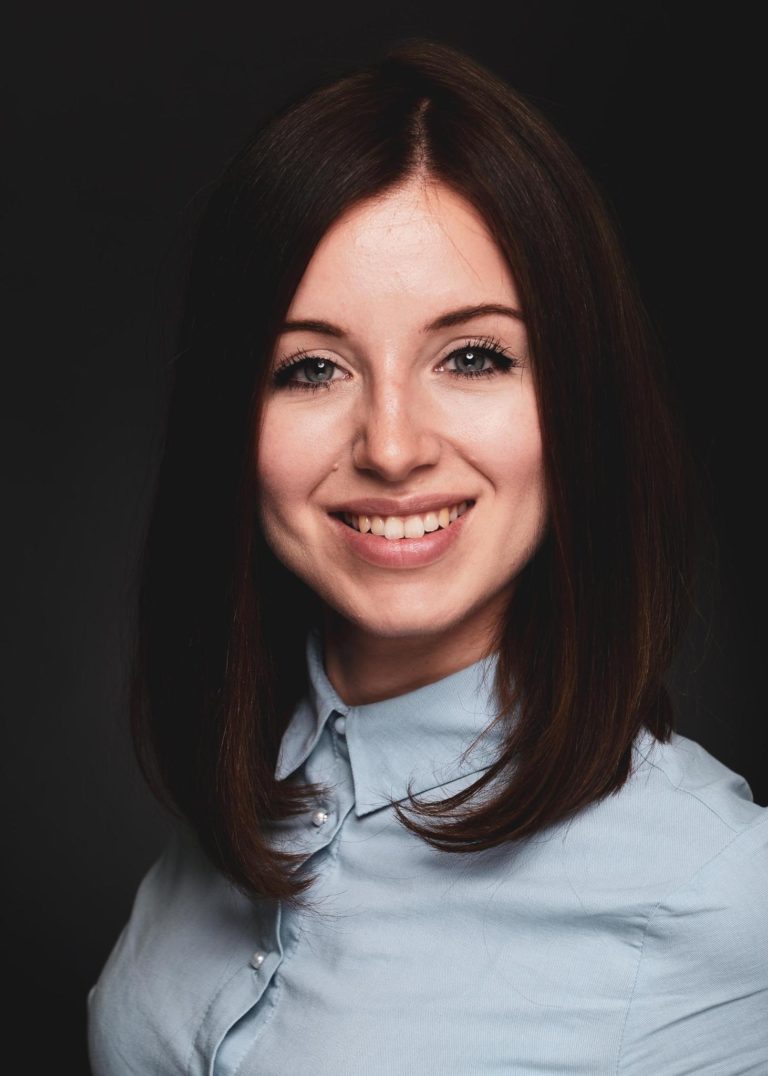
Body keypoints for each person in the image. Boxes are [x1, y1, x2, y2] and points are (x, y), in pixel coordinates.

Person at [87, 39, 768, 1075]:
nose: (393, 446)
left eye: (474, 356)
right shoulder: (248, 789)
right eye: (312, 367)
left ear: (578, 399)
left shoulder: (720, 897)